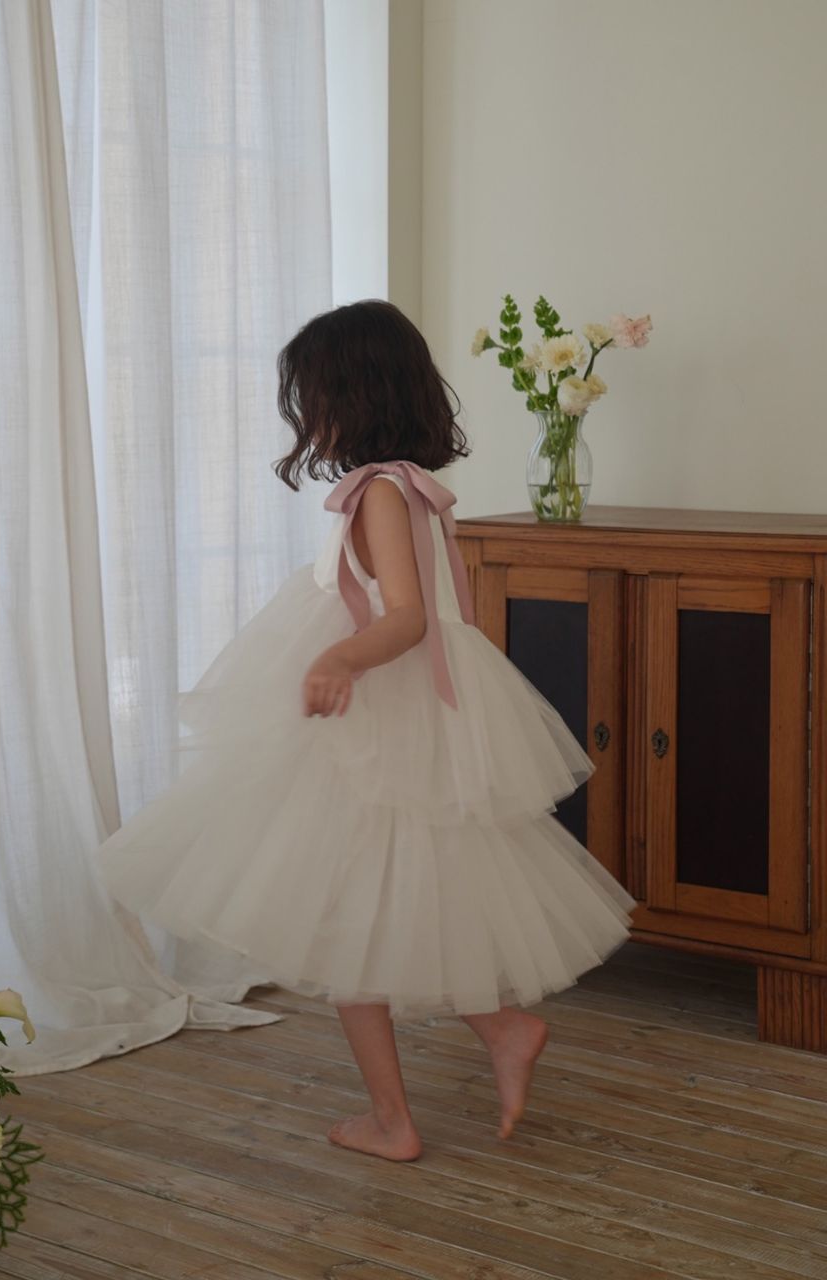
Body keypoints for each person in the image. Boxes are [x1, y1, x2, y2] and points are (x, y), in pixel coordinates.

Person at [97, 299, 637, 1161]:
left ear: (353, 394)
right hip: (417, 713)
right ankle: (500, 1029)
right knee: (410, 897)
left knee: (345, 918)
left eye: (313, 396)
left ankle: (396, 1118)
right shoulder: (408, 488)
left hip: (382, 718)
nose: (306, 416)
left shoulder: (381, 493)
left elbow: (409, 618)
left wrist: (341, 659)